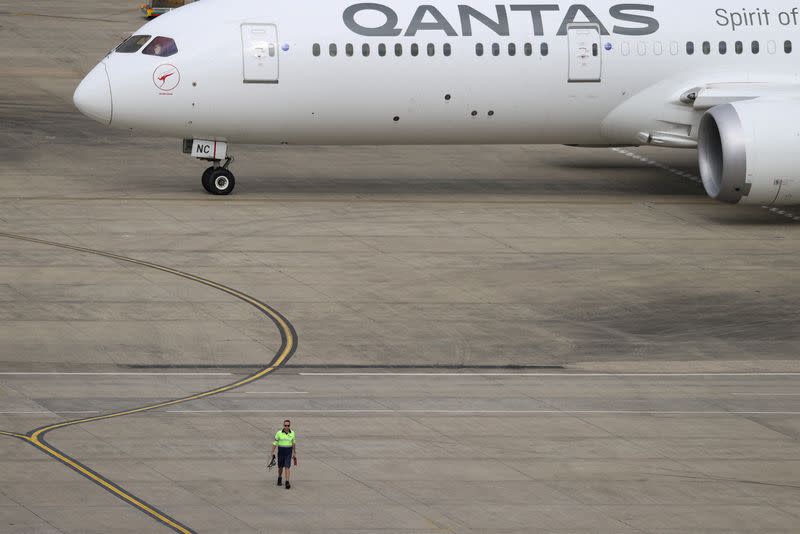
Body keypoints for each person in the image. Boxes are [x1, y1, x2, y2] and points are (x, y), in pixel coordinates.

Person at [270, 419, 296, 489]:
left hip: (288, 452)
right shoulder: (279, 433)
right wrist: (272, 452)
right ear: (283, 425)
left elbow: (293, 443)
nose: (286, 427)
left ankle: (287, 482)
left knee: (287, 466)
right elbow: (275, 443)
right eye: (285, 425)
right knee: (280, 467)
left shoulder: (292, 433)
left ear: (289, 426)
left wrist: (294, 453)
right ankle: (279, 477)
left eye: (288, 425)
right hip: (281, 452)